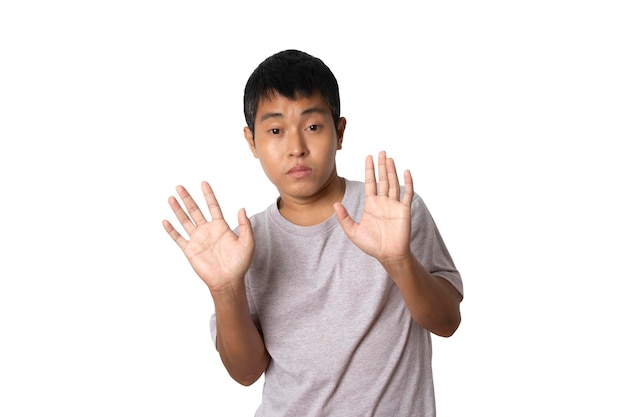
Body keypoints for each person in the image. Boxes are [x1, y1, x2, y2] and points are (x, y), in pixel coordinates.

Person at [162, 49, 463, 417]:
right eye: (275, 130)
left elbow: (447, 323)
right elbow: (246, 373)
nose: (296, 148)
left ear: (339, 132)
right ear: (251, 142)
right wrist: (225, 289)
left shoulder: (392, 212)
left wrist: (398, 260)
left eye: (312, 127)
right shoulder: (244, 244)